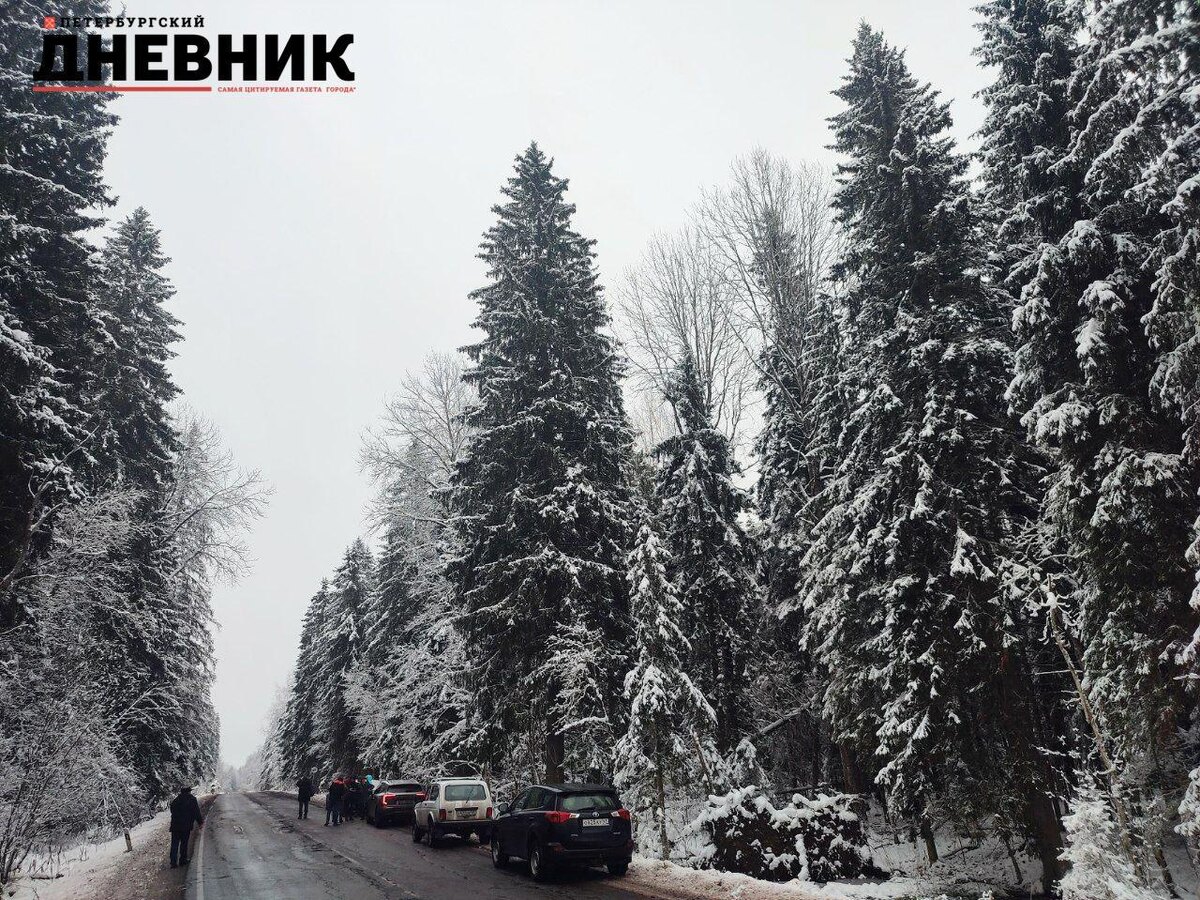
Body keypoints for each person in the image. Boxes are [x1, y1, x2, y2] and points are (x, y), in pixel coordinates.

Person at [168, 785, 203, 868]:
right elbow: (196, 812)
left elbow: (172, 810)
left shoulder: (176, 800)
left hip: (175, 826)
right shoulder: (192, 799)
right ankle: (182, 860)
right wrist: (200, 822)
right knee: (184, 843)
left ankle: (173, 862)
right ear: (189, 791)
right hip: (185, 826)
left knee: (174, 844)